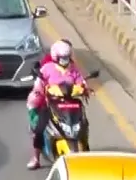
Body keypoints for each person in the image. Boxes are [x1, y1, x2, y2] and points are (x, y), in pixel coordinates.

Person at [27, 41, 90, 169]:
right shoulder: (47, 68)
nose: (65, 60)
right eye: (62, 58)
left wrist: (85, 89)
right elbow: (39, 83)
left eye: (67, 57)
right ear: (56, 57)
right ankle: (36, 158)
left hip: (72, 104)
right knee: (39, 129)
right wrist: (39, 92)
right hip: (52, 104)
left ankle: (87, 152)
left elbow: (81, 82)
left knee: (84, 125)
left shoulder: (74, 69)